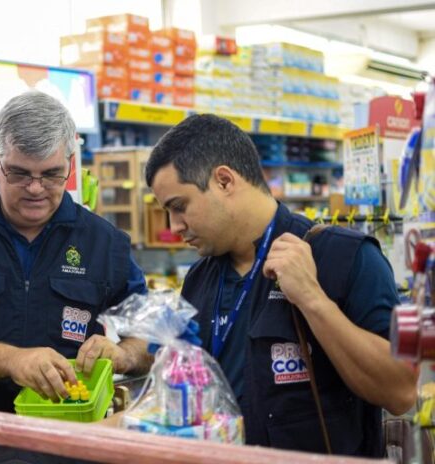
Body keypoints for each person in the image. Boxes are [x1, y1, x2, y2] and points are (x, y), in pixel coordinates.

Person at [144, 114, 417, 456]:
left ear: (224, 181)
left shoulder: (343, 257)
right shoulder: (200, 279)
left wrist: (313, 300)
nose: (174, 226)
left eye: (179, 207)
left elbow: (400, 392)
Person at [0, 91, 151, 412]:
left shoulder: (105, 242)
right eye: (19, 173)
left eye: (50, 174)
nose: (35, 188)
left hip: (67, 436)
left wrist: (123, 355)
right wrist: (11, 360)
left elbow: (150, 338)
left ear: (70, 165)